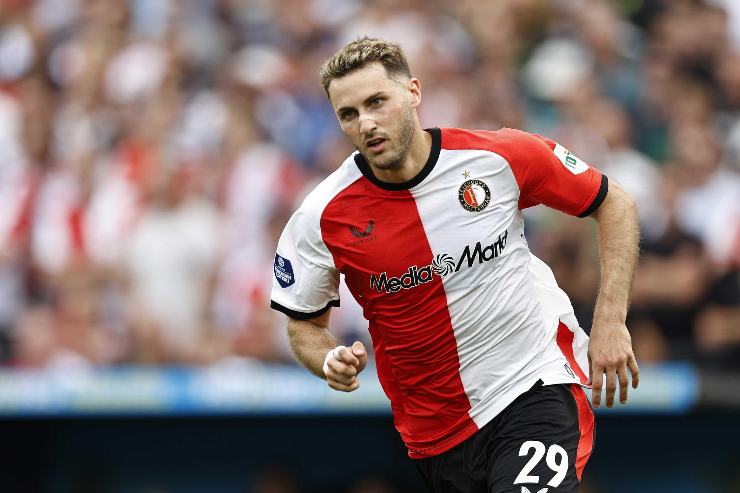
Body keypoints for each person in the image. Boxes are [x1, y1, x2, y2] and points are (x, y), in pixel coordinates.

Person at [270, 37, 639, 493]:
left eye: (376, 102)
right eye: (349, 114)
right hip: (436, 436)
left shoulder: (498, 158)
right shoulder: (320, 217)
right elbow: (303, 325)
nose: (366, 123)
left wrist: (609, 320)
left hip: (535, 384)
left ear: (414, 93)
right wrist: (327, 357)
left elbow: (613, 203)